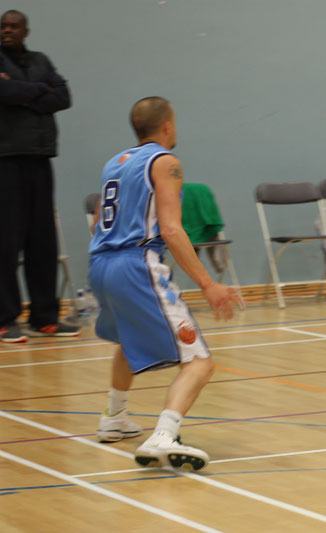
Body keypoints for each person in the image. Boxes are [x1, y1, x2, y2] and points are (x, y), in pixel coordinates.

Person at [90, 97, 241, 471]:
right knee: (199, 362)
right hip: (136, 263)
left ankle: (114, 416)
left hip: (100, 262)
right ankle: (165, 434)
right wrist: (208, 284)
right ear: (168, 126)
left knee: (127, 338)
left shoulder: (115, 163)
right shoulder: (165, 162)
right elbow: (171, 229)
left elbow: (97, 224)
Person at [0, 10, 79, 343]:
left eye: (13, 26)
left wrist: (21, 91)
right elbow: (3, 95)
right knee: (6, 242)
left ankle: (44, 317)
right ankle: (5, 319)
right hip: (5, 159)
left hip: (40, 158)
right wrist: (39, 92)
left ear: (26, 31)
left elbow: (63, 97)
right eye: (2, 26)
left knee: (42, 241)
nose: (7, 31)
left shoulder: (41, 59)